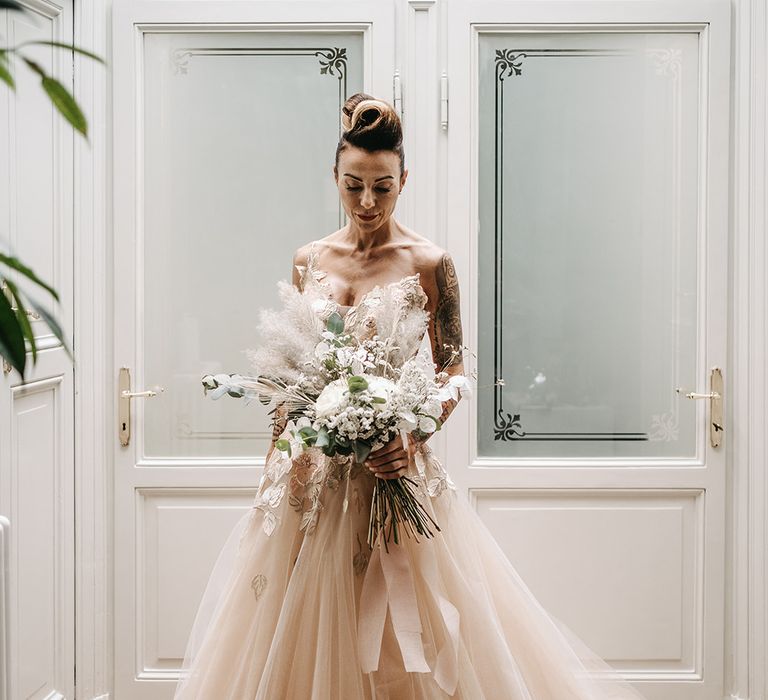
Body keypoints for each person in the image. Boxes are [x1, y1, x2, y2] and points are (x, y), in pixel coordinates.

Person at [174, 93, 650, 699]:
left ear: (405, 178)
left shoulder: (430, 263)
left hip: (391, 473)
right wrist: (276, 468)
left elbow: (454, 371)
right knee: (292, 636)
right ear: (335, 178)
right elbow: (291, 377)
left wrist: (412, 433)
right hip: (308, 480)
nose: (367, 203)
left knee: (405, 643)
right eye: (353, 186)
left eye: (383, 187)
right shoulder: (309, 259)